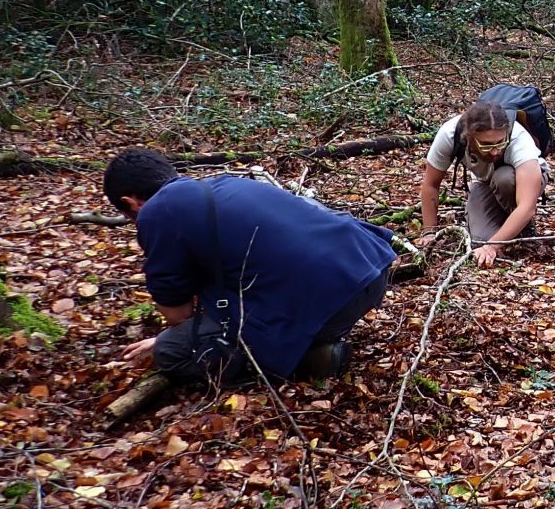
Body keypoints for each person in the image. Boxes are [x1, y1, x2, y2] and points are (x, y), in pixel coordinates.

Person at [104, 148, 395, 386]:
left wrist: (168, 339)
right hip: (369, 268)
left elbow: (177, 313)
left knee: (170, 351)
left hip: (327, 300)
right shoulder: (226, 183)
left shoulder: (156, 213)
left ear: (130, 202)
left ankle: (310, 358)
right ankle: (309, 342)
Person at [420, 97, 548, 267]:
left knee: (504, 179)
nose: (495, 151)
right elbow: (430, 185)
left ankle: (525, 230)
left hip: (519, 180)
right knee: (479, 241)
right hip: (484, 181)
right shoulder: (450, 134)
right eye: (486, 145)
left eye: (500, 143)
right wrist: (429, 232)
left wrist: (492, 246)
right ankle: (506, 227)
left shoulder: (518, 139)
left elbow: (527, 206)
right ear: (469, 137)